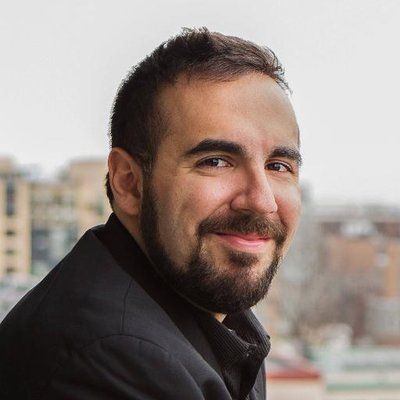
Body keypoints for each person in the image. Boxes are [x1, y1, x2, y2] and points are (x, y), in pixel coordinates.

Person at [0, 28, 302, 399]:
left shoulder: (209, 321)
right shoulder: (113, 358)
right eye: (216, 161)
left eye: (279, 166)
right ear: (129, 183)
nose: (262, 201)